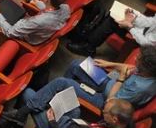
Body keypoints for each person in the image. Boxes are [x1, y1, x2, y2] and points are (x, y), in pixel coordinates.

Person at [17, 51, 155, 123]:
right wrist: (110, 64)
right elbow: (129, 67)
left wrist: (121, 78)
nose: (135, 58)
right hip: (110, 82)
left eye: (138, 59)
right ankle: (56, 99)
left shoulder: (141, 89)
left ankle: (25, 111)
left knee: (61, 82)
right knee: (77, 64)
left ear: (146, 67)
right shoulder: (146, 71)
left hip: (104, 100)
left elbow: (111, 102)